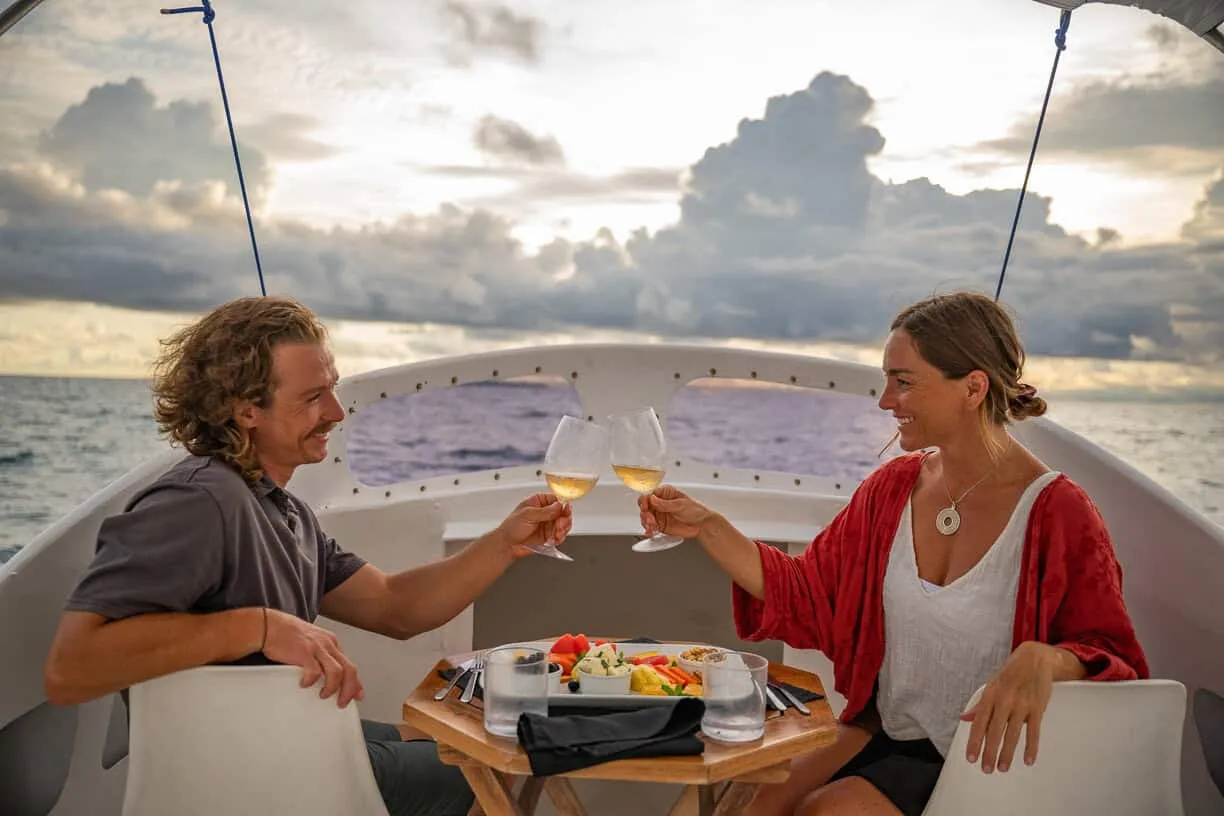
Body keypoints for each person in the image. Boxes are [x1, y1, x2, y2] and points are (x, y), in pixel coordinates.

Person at [43, 295, 573, 816]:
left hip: (289, 742)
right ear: (246, 409)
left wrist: (506, 542)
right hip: (247, 775)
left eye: (334, 390)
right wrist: (261, 626)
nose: (337, 413)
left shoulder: (282, 509)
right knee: (499, 762)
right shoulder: (197, 502)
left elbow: (393, 606)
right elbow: (72, 667)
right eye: (313, 397)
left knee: (481, 742)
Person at [638, 291, 1149, 816]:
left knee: (827, 812)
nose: (885, 400)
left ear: (973, 387)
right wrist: (709, 527)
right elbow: (808, 592)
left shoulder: (1058, 512)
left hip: (986, 764)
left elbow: (1116, 659)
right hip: (886, 732)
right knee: (741, 803)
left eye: (903, 382)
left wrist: (1048, 658)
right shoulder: (892, 489)